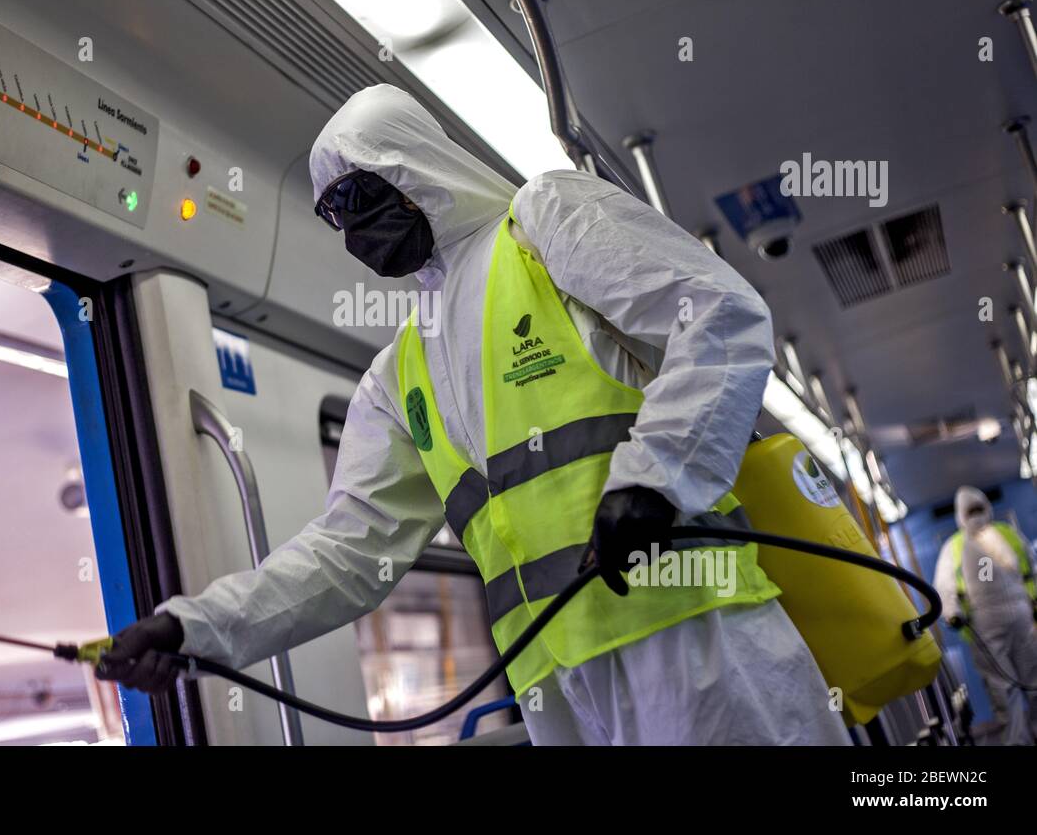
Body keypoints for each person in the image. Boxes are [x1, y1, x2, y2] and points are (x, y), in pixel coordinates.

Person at [97, 84, 850, 745]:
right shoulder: (402, 375)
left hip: (691, 642)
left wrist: (655, 479)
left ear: (411, 167)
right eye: (337, 221)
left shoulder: (545, 225)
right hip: (557, 692)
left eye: (361, 201)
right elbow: (348, 552)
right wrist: (195, 629)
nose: (357, 237)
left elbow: (718, 316)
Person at [934, 485, 1037, 745]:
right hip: (1006, 619)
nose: (977, 515)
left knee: (1010, 686)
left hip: (998, 622)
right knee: (1020, 683)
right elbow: (1032, 567)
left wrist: (953, 613)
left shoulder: (958, 545)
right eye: (974, 510)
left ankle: (1019, 741)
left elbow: (944, 588)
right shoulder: (1001, 534)